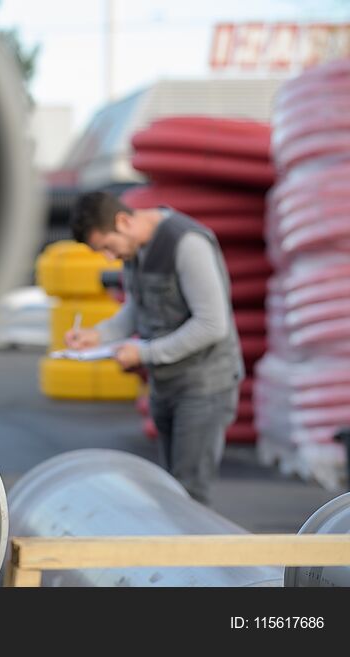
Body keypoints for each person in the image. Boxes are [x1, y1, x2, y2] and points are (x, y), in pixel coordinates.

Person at [65, 191, 243, 505]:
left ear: (123, 221)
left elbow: (213, 325)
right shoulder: (134, 250)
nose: (109, 258)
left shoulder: (186, 244)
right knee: (171, 490)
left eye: (107, 246)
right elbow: (137, 307)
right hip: (166, 382)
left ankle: (192, 555)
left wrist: (143, 353)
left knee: (190, 495)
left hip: (204, 385)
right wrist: (99, 335)